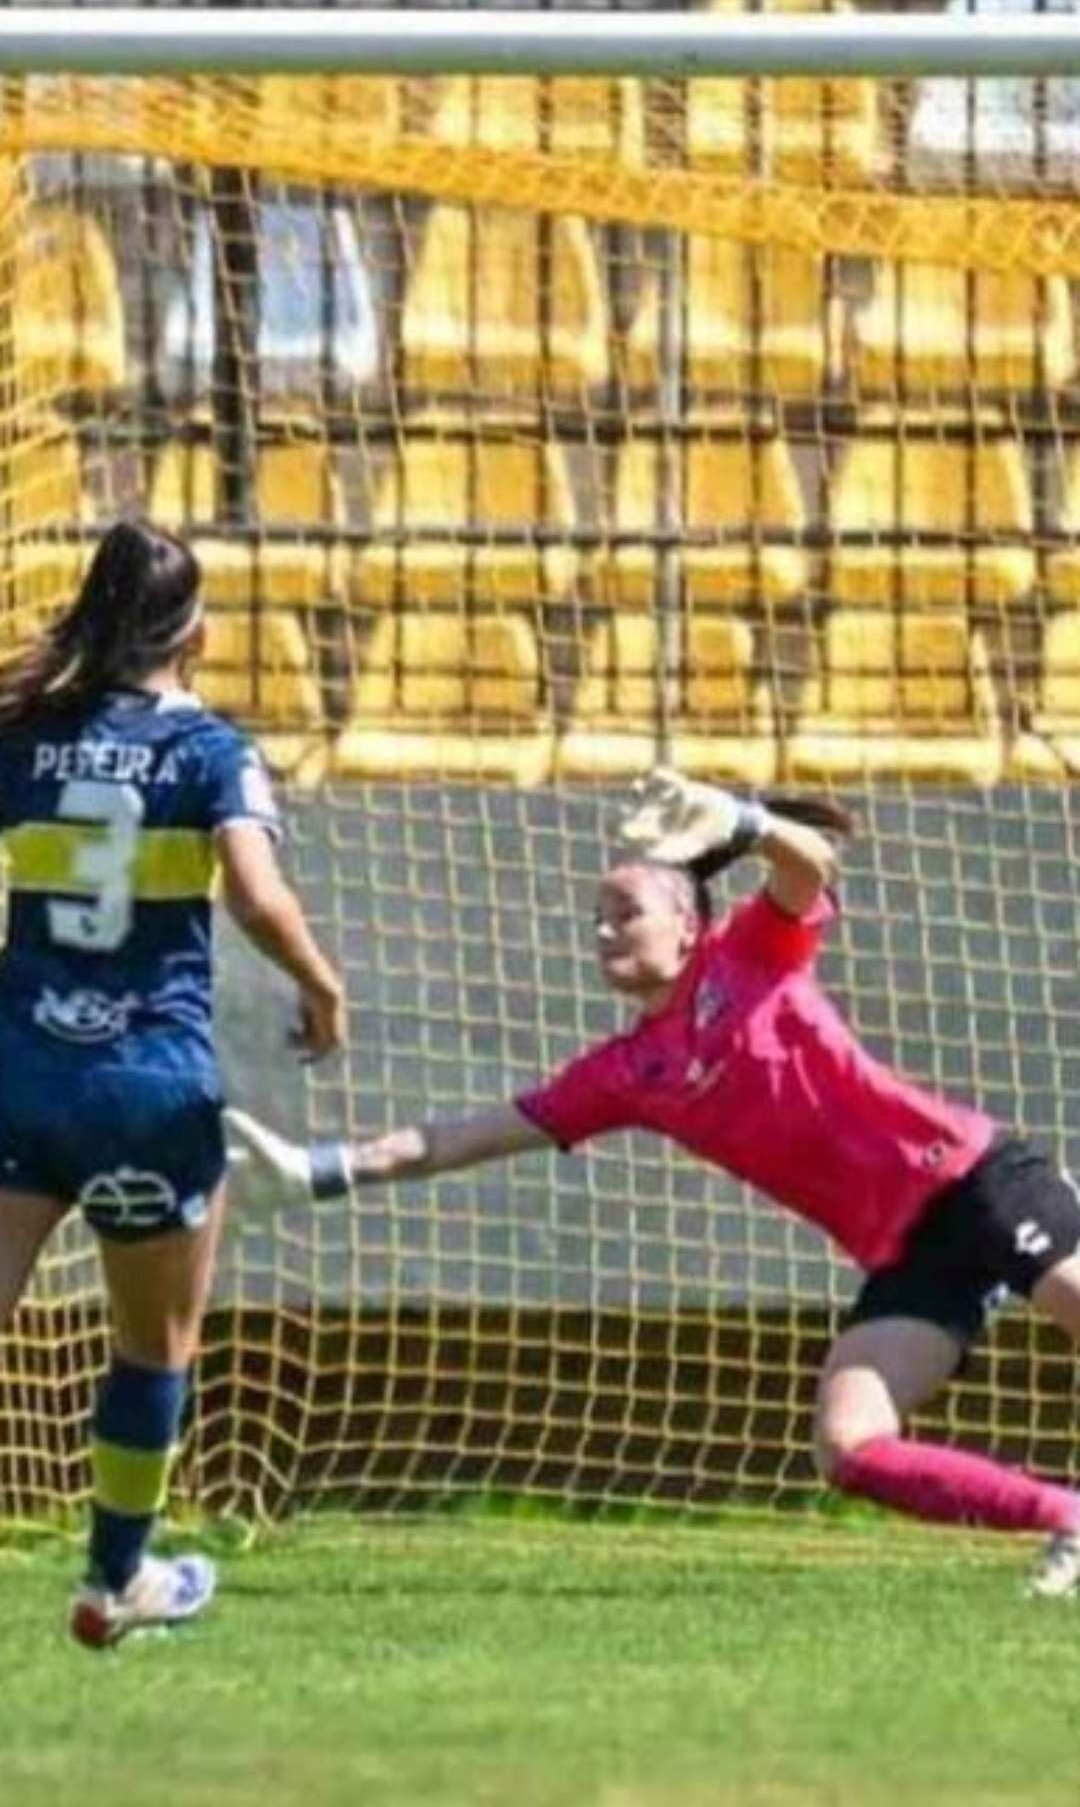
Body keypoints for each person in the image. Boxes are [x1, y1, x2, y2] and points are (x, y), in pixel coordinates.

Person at [227, 767, 1080, 1595]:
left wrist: (742, 822)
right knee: (848, 1445)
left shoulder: (749, 956)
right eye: (596, 917)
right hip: (908, 1248)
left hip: (975, 1177)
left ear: (688, 924)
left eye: (624, 912)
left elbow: (809, 863)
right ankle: (1068, 1519)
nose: (603, 932)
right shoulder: (624, 1073)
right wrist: (315, 1171)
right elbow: (451, 1141)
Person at [0, 519, 344, 1648]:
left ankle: (125, 1577)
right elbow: (253, 892)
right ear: (195, 630)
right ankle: (116, 1579)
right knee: (154, 1344)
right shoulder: (209, 749)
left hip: (21, 1067)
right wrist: (319, 982)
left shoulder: (29, 732)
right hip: (146, 1084)